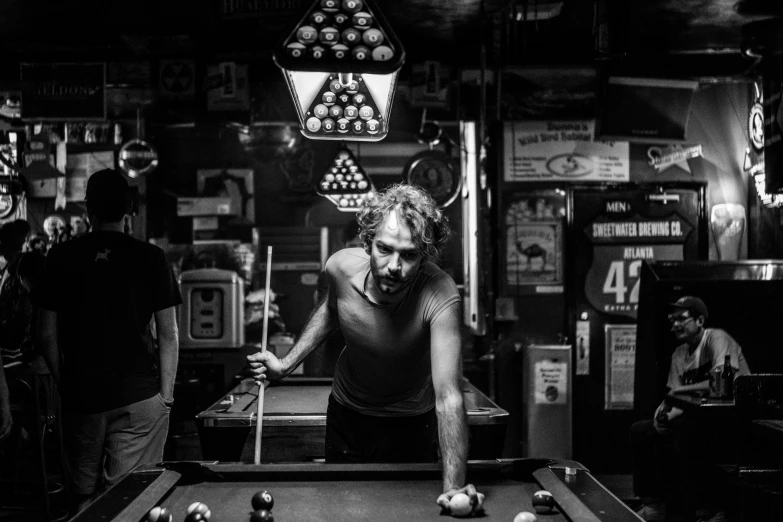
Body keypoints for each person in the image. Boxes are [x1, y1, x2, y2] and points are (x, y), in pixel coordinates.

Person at [247, 184, 484, 517]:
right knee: (340, 512)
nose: (393, 266)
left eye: (410, 254)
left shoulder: (440, 293)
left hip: (411, 422)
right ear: (367, 241)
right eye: (384, 249)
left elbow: (448, 397)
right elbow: (332, 309)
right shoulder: (340, 268)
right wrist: (285, 365)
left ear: (425, 255)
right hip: (347, 416)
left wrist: (453, 489)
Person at [36, 169, 182, 513]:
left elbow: (44, 333)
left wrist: (66, 383)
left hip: (83, 396)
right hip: (140, 396)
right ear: (129, 208)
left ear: (89, 209)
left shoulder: (60, 257)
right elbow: (169, 335)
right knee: (130, 500)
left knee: (83, 497)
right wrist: (167, 397)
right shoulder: (151, 258)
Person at [631, 296, 750, 522]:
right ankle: (654, 505)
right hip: (697, 416)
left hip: (733, 417)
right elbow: (674, 396)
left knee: (687, 433)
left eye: (681, 319)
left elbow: (725, 380)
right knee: (642, 430)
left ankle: (713, 510)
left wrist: (677, 395)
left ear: (700, 320)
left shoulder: (716, 338)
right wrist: (661, 417)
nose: (675, 324)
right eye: (672, 319)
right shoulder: (678, 354)